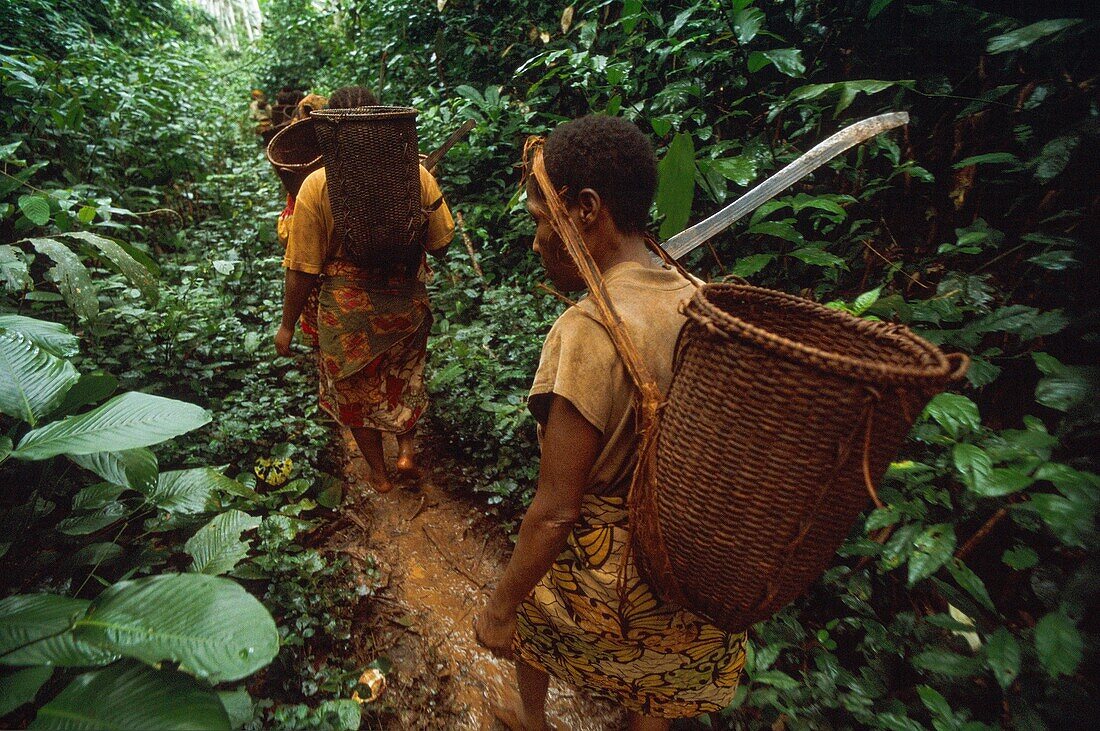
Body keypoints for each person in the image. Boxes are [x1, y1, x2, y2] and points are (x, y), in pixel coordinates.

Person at [473, 116, 747, 730]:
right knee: (658, 689)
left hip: (610, 571)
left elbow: (556, 510)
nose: (536, 240)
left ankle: (530, 717)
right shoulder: (699, 295)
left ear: (587, 210)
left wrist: (500, 604)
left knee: (536, 611)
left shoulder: (588, 329)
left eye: (543, 220)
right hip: (685, 564)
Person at [275, 85, 455, 494]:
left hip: (346, 314)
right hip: (405, 307)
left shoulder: (316, 185)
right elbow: (442, 244)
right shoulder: (416, 173)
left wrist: (287, 325)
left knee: (353, 397)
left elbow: (302, 267)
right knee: (403, 379)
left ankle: (378, 473)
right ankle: (406, 449)